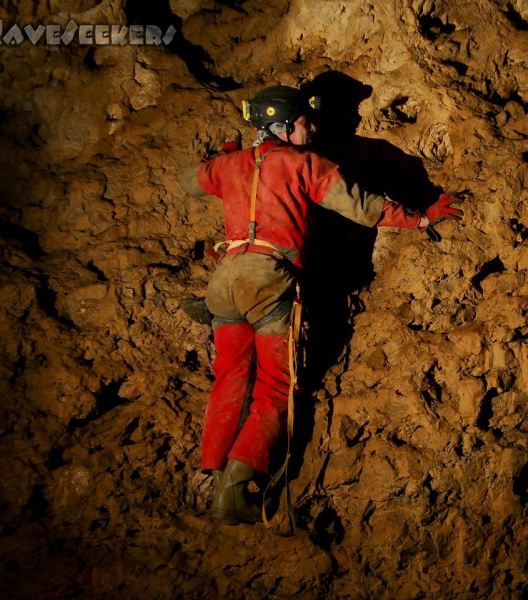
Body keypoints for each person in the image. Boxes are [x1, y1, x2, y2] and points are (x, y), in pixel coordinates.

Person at [178, 84, 462, 524]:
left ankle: (216, 475)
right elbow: (364, 207)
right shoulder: (303, 163)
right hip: (268, 279)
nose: (313, 129)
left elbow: (187, 182)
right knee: (274, 386)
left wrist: (223, 157)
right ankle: (234, 493)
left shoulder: (230, 165)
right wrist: (420, 218)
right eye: (306, 123)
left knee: (229, 378)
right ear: (285, 126)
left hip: (225, 280)